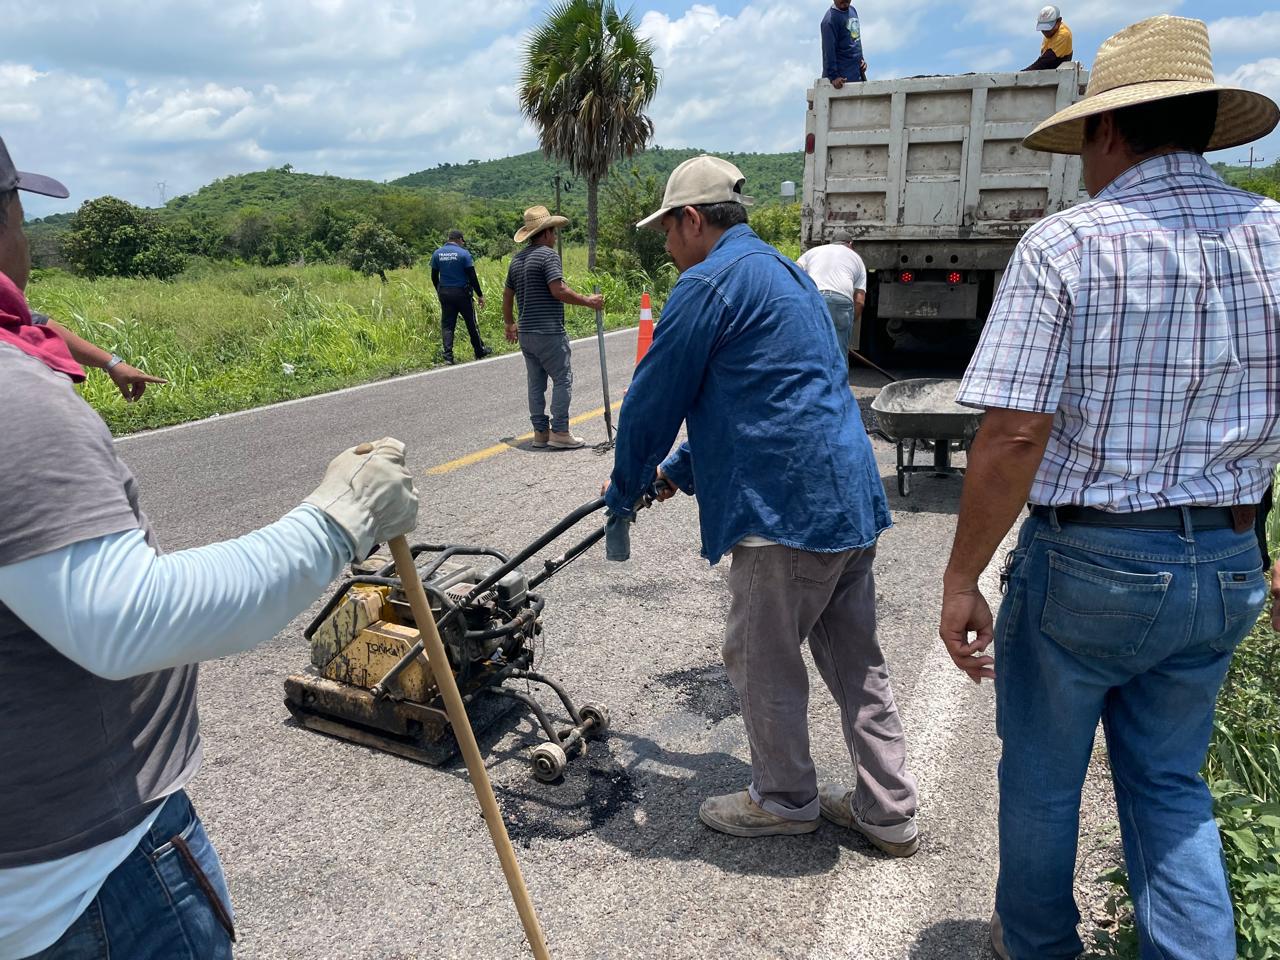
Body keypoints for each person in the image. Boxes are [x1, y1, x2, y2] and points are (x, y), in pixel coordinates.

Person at [0, 137, 419, 960]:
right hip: (87, 888)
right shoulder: (19, 407)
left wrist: (111, 362)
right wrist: (338, 517)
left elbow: (47, 328)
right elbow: (125, 621)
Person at [936, 17, 1280, 960]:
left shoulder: (1066, 247)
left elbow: (1012, 434)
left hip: (1089, 560)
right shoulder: (1276, 237)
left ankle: (1038, 946)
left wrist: (963, 576)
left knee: (1044, 780)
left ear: (1110, 131)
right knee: (1171, 782)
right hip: (1227, 557)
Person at [605, 155, 918, 853]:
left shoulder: (706, 283)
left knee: (761, 656)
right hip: (846, 499)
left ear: (692, 219)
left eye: (667, 229)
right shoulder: (786, 274)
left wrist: (624, 489)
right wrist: (678, 473)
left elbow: (651, 405)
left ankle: (783, 799)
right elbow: (769, 397)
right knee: (855, 660)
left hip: (786, 509)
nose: (666, 245)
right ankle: (888, 808)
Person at [503, 205, 603, 450]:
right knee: (562, 379)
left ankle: (540, 433)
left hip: (526, 332)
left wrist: (509, 323)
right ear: (546, 233)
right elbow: (558, 290)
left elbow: (506, 296)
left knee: (536, 384)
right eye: (554, 232)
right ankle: (560, 431)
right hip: (548, 330)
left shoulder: (517, 260)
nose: (555, 236)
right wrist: (588, 301)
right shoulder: (548, 256)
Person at [797, 228, 867, 356]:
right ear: (850, 245)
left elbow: (794, 268)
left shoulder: (814, 251)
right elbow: (859, 301)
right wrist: (848, 324)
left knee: (814, 349)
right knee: (839, 354)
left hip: (815, 299)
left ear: (831, 242)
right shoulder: (857, 259)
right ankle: (838, 374)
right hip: (841, 303)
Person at [430, 228, 490, 365]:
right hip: (462, 293)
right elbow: (472, 276)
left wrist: (439, 290)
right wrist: (480, 295)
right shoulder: (464, 254)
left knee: (447, 325)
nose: (463, 243)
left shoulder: (437, 254)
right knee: (471, 322)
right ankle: (479, 351)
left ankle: (448, 357)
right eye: (463, 241)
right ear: (459, 239)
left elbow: (434, 277)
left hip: (445, 293)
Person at [821, 0, 867, 88]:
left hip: (858, 76)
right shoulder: (829, 21)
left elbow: (855, 40)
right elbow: (828, 51)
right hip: (843, 81)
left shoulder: (852, 10)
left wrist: (861, 60)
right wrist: (834, 77)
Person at [1025, 4, 1072, 71]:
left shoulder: (1063, 34)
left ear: (1059, 21)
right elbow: (1042, 58)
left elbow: (1047, 60)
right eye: (1043, 29)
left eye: (1048, 28)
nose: (1045, 31)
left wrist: (1026, 71)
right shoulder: (1050, 34)